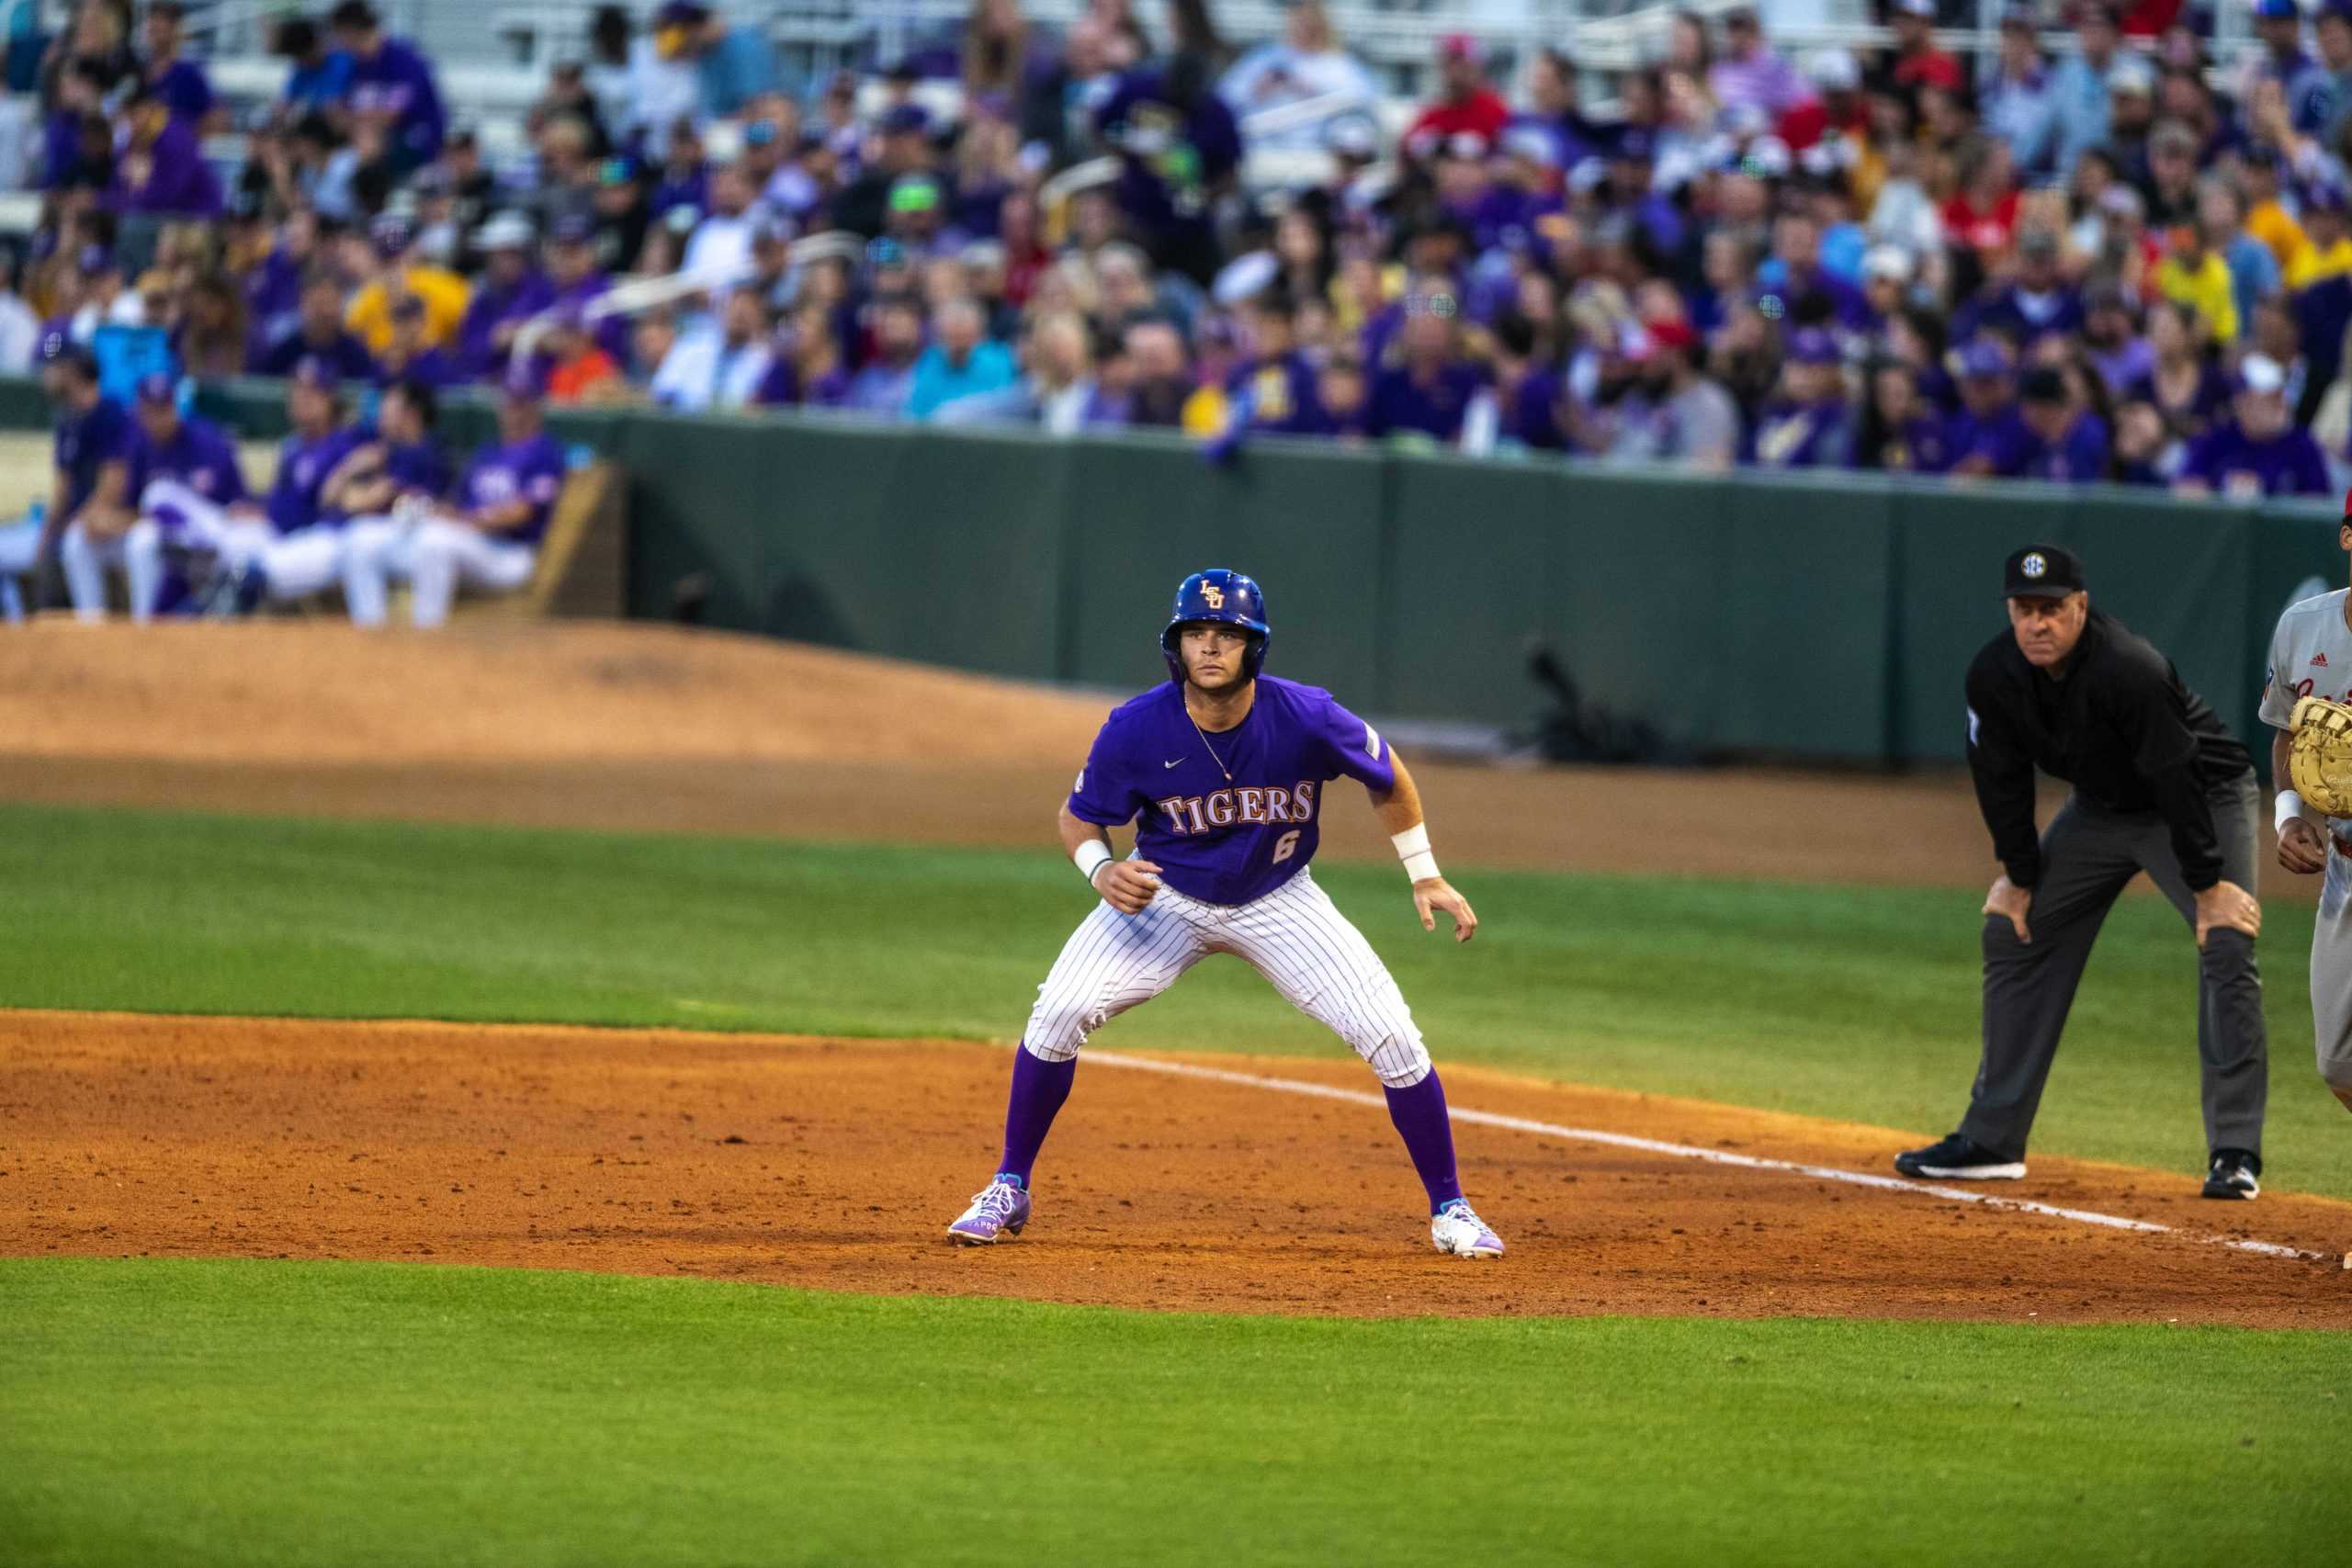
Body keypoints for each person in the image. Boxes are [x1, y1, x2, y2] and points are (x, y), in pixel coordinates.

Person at [944, 569, 1500, 1258]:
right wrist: (1101, 869)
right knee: (1057, 1011)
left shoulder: (1306, 714)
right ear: (1176, 646)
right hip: (1164, 899)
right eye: (1196, 634)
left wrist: (1425, 873)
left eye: (1227, 635)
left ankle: (1450, 1206)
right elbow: (1078, 816)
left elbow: (1388, 776)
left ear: (1254, 648)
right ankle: (1009, 1183)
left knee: (1392, 1035)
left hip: (1280, 897)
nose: (1210, 647)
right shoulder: (1135, 727)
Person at [1898, 546, 2266, 1201]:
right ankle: (1991, 1139)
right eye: (2024, 609)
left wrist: (2209, 886)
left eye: (2052, 609)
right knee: (2014, 928)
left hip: (2199, 797)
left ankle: (2234, 1150)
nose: (2038, 623)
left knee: (2227, 938)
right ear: (2010, 611)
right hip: (2099, 810)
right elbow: (1999, 775)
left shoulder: (2130, 669)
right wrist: (2019, 871)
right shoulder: (1994, 674)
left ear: (2080, 607)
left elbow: (2174, 774)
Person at [341, 362, 566, 626]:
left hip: (511, 553)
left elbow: (524, 511)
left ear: (536, 406)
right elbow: (457, 502)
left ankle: (428, 637)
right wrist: (443, 512)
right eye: (506, 400)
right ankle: (371, 633)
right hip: (471, 541)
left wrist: (470, 520)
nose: (510, 409)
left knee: (435, 542)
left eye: (519, 401)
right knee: (362, 537)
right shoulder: (489, 452)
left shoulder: (544, 452)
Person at [2259, 513, 2352, 1122]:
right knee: (2338, 1062)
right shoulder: (2302, 625)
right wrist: (2289, 815)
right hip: (2344, 872)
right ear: (2348, 535)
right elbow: (2287, 736)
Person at [62, 373, 243, 620]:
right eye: (149, 410)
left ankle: (145, 626)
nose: (156, 418)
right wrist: (104, 519)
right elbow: (131, 505)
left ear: (174, 406)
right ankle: (91, 626)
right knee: (77, 539)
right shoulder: (138, 444)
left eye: (162, 408)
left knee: (143, 538)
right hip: (155, 536)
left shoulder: (209, 442)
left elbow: (234, 504)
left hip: (201, 543)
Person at [209, 357, 367, 613]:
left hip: (327, 539)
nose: (302, 398)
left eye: (313, 392)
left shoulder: (347, 444)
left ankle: (202, 624)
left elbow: (332, 505)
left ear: (330, 399)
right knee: (230, 549)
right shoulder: (292, 447)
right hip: (285, 536)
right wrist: (258, 509)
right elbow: (282, 506)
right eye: (297, 390)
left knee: (253, 572)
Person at [0, 334, 132, 622]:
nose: (45, 375)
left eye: (51, 367)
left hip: (106, 522)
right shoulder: (67, 419)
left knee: (72, 544)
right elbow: (63, 487)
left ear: (70, 371)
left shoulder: (110, 412)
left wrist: (75, 522)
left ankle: (89, 628)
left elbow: (115, 479)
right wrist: (46, 536)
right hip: (72, 525)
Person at [2173, 355, 2331, 497]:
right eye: (2270, 400)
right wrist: (2219, 492)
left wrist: (2266, 492)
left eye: (2279, 398)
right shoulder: (2215, 439)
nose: (2281, 406)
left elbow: (2318, 502)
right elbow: (2185, 489)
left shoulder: (2302, 445)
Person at [330, 1, 446, 173]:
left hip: (414, 141)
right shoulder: (355, 65)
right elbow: (337, 111)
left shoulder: (403, 59)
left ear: (351, 31)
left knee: (367, 139)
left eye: (339, 34)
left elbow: (392, 115)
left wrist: (355, 122)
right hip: (368, 139)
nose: (337, 41)